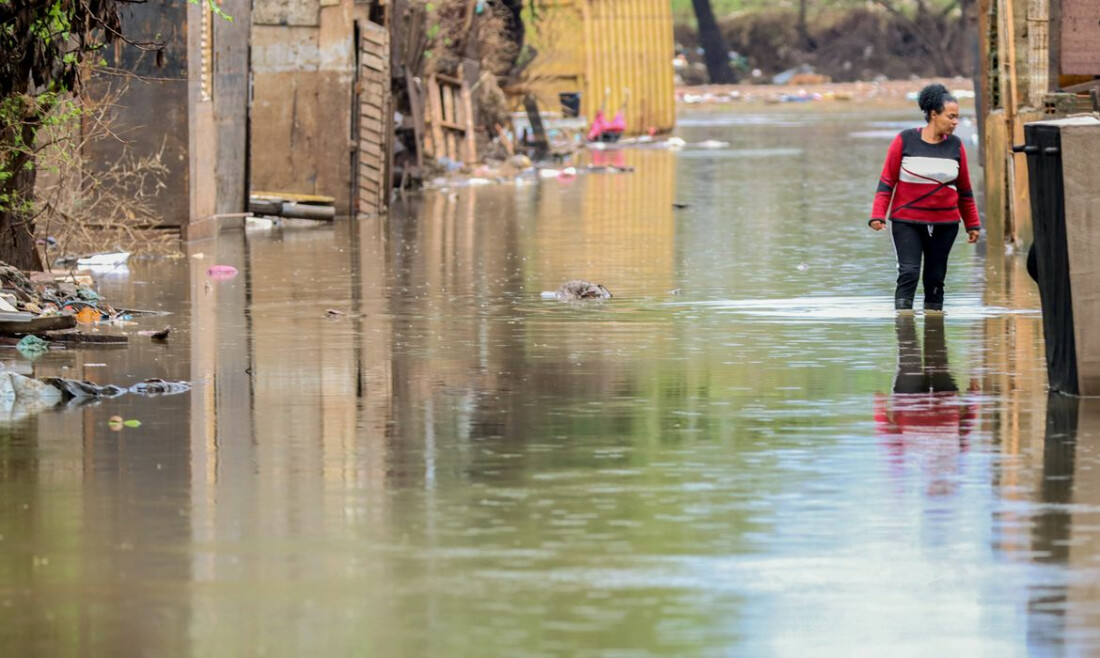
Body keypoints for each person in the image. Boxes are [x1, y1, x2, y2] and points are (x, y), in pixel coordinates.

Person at [869, 83, 982, 312]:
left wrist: (972, 224)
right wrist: (877, 215)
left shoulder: (956, 145)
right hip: (907, 221)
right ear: (933, 114)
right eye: (951, 116)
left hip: (945, 224)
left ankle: (934, 330)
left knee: (935, 279)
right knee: (909, 272)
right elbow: (887, 181)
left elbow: (964, 190)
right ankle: (904, 327)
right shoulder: (905, 140)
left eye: (957, 117)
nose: (956, 122)